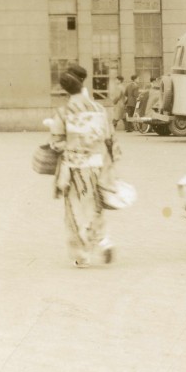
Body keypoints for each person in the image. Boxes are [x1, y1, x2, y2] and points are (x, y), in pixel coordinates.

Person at [49, 69, 117, 268]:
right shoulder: (99, 109)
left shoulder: (63, 112)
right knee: (95, 205)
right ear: (82, 84)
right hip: (97, 163)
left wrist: (67, 144)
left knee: (73, 211)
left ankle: (82, 254)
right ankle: (104, 240)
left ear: (65, 90)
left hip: (74, 167)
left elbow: (56, 142)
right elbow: (109, 136)